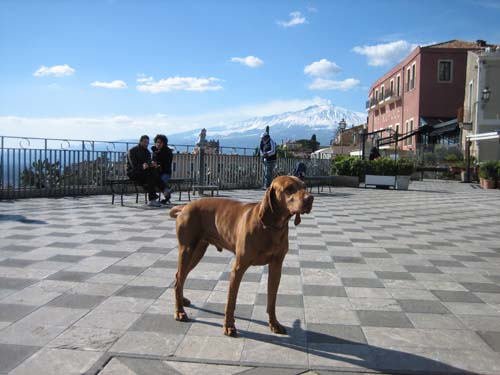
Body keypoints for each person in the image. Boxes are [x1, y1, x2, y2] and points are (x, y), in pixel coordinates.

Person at [127, 135, 165, 207]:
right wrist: (142, 166)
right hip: (133, 172)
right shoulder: (132, 151)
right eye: (145, 142)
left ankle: (153, 199)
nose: (146, 144)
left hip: (144, 172)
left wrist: (151, 164)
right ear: (140, 142)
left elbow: (148, 162)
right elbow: (133, 165)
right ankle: (163, 190)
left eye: (147, 142)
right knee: (151, 176)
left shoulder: (147, 151)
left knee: (153, 172)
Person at [152, 134, 173, 204]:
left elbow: (166, 163)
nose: (158, 144)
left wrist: (157, 164)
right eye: (157, 142)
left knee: (160, 182)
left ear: (164, 143)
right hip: (157, 172)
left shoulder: (167, 151)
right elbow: (153, 161)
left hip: (165, 172)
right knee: (153, 181)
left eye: (160, 142)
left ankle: (166, 195)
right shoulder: (156, 151)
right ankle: (167, 191)